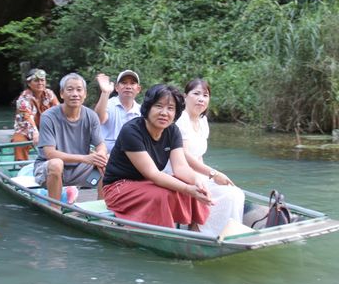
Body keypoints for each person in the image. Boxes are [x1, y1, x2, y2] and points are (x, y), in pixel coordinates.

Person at [102, 84, 213, 229]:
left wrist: (197, 181)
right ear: (148, 107)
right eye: (159, 106)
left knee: (190, 186)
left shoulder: (172, 131)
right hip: (118, 187)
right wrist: (187, 189)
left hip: (147, 183)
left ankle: (194, 229)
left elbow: (180, 167)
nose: (164, 113)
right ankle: (164, 233)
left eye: (170, 108)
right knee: (163, 194)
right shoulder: (132, 131)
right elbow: (153, 174)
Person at [175, 78, 245, 237]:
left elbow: (198, 157)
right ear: (185, 97)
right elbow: (184, 155)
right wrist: (213, 174)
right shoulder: (181, 120)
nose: (201, 98)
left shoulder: (203, 121)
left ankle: (225, 233)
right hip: (180, 173)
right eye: (196, 93)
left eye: (205, 95)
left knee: (235, 193)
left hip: (198, 174)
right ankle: (201, 230)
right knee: (230, 195)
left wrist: (210, 177)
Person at [33, 72, 108, 208]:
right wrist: (85, 158)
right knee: (56, 164)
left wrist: (101, 155)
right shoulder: (48, 116)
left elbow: (100, 144)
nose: (75, 94)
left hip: (79, 169)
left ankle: (100, 209)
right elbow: (50, 154)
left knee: (107, 161)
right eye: (70, 89)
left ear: (85, 94)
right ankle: (55, 209)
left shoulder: (91, 116)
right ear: (62, 94)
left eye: (79, 90)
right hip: (49, 170)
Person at [12, 68, 59, 161]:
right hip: (25, 129)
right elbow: (27, 117)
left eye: (42, 80)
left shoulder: (49, 94)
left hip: (46, 127)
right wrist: (35, 132)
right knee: (19, 141)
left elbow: (58, 110)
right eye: (36, 81)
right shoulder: (23, 98)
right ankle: (22, 165)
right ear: (29, 83)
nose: (40, 83)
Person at [94, 70, 142, 153]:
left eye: (132, 83)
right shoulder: (108, 104)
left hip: (132, 155)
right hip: (106, 155)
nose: (128, 86)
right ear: (116, 87)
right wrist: (105, 92)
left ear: (138, 89)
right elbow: (99, 119)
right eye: (124, 83)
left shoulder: (142, 111)